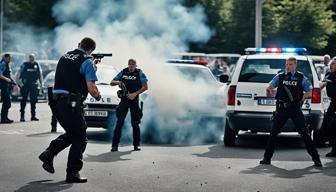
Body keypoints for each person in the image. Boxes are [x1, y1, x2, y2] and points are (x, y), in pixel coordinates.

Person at [38, 37, 101, 183]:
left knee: (73, 133)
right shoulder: (87, 61)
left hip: (56, 102)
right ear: (91, 50)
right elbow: (91, 88)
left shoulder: (64, 56)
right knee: (80, 138)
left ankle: (49, 153)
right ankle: (72, 173)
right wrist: (98, 95)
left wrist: (92, 65)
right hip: (70, 103)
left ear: (79, 44)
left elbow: (72, 73)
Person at [260, 57, 322, 167]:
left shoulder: (300, 77)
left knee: (305, 134)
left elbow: (311, 91)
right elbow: (269, 88)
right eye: (286, 64)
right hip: (282, 109)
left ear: (295, 65)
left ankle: (316, 158)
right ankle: (266, 158)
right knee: (273, 133)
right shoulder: (280, 76)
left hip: (295, 109)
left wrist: (304, 96)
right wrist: (271, 92)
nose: (288, 66)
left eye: (290, 64)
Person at [110, 59, 148, 152]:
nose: (131, 66)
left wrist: (134, 94)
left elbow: (145, 87)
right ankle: (114, 145)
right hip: (124, 100)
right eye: (129, 64)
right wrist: (118, 82)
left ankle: (136, 144)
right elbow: (111, 82)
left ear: (136, 65)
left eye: (133, 64)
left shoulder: (139, 73)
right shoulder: (123, 71)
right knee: (119, 122)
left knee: (135, 123)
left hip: (134, 100)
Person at [16, 53, 43, 121]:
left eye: (33, 57)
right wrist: (17, 84)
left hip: (33, 85)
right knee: (23, 100)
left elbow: (40, 75)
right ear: (29, 58)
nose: (32, 58)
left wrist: (41, 84)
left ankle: (33, 116)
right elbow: (18, 73)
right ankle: (22, 116)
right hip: (25, 85)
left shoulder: (37, 65)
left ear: (34, 58)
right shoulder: (25, 64)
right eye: (30, 57)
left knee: (33, 101)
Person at [319, 57, 336, 157]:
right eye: (331, 63)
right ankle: (334, 148)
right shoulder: (329, 74)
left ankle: (334, 149)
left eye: (333, 64)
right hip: (333, 103)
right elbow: (322, 85)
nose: (331, 65)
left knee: (333, 126)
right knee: (326, 125)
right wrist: (306, 95)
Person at [0, 54, 15, 123]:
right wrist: (6, 79)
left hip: (7, 86)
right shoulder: (3, 64)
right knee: (7, 102)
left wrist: (13, 82)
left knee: (6, 103)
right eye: (9, 58)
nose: (10, 60)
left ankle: (5, 117)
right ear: (5, 58)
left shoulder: (7, 64)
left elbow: (9, 76)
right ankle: (3, 118)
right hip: (3, 86)